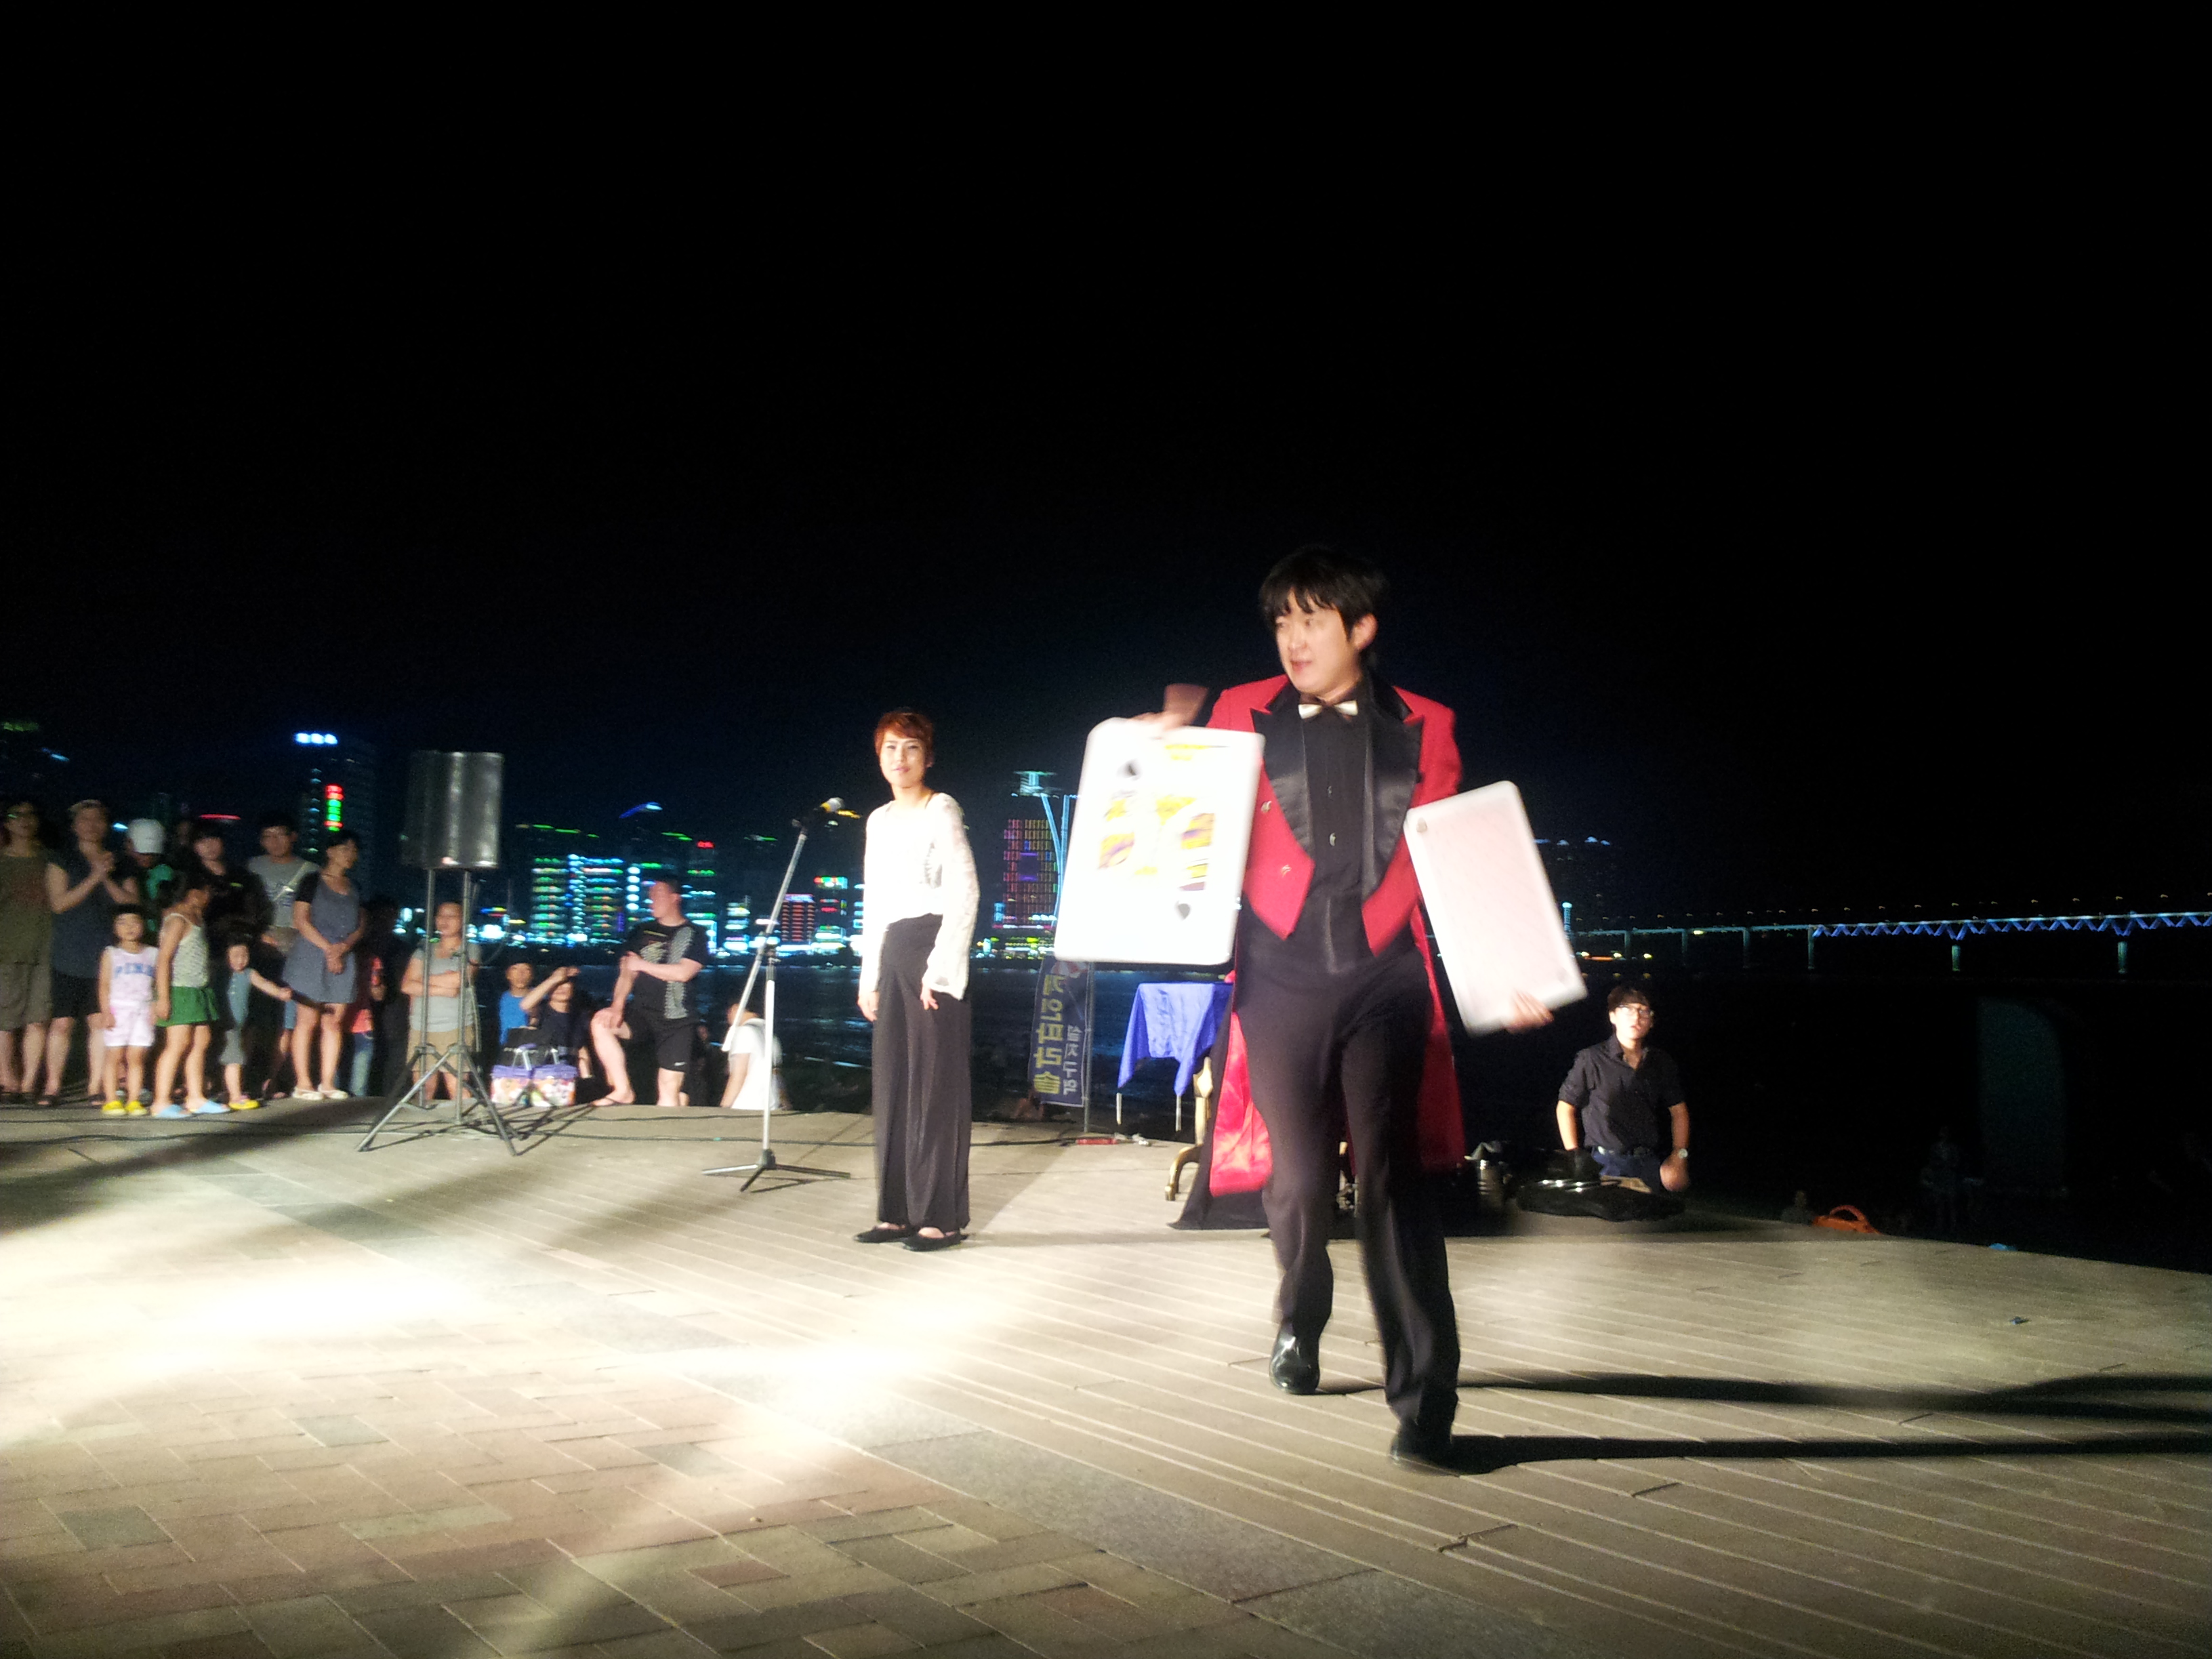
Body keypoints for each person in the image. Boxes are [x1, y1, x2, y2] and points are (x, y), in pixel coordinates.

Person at [1147, 546, 1553, 1472]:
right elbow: (1176, 814)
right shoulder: (1238, 712)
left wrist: (1508, 968)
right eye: (1281, 622)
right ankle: (1300, 1317)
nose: (1292, 639)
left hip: (1383, 977)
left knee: (1392, 1180)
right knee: (1296, 1180)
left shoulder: (1430, 724)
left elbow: (1456, 850)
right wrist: (1156, 750)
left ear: (1361, 628)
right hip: (1279, 971)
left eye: (1312, 620)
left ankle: (1426, 1403)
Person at [853, 709, 979, 1252]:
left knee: (935, 1087)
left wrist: (942, 969)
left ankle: (941, 1218)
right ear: (878, 757)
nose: (899, 758)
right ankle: (896, 1212)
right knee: (893, 1083)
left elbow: (965, 891)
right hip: (893, 949)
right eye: (890, 748)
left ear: (927, 758)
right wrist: (870, 976)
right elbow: (875, 902)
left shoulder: (941, 808)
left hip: (933, 947)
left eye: (910, 748)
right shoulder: (878, 820)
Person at [45, 800, 140, 1105]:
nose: (92, 825)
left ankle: (96, 1085)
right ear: (74, 825)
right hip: (69, 952)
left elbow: (131, 904)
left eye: (98, 819)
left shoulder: (120, 862)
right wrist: (94, 875)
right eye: (84, 819)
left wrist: (106, 876)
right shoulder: (63, 859)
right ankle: (52, 1086)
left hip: (109, 956)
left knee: (99, 1021)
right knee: (62, 1022)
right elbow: (59, 903)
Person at [1555, 985, 1691, 1195]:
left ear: (1652, 1021)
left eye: (1643, 1011)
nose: (1636, 1017)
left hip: (1647, 1163)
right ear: (1613, 1016)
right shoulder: (1591, 1059)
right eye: (1627, 1009)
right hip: (1604, 1164)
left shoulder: (1660, 1062)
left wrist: (1679, 1156)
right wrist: (1575, 1156)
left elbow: (1679, 1111)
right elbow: (1565, 1107)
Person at [591, 878, 710, 1107]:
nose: (652, 900)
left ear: (675, 898)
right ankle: (623, 1090)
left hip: (677, 1019)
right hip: (642, 1013)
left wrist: (643, 965)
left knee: (668, 1089)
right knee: (601, 1023)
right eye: (650, 895)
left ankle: (665, 1127)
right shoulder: (641, 931)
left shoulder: (696, 934)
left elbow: (684, 973)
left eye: (658, 894)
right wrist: (617, 1006)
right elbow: (627, 973)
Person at [283, 831, 364, 1100]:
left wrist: (343, 947)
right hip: (312, 955)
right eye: (345, 849)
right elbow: (301, 920)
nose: (350, 855)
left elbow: (361, 923)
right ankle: (303, 1083)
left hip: (343, 956)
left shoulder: (354, 886)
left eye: (353, 850)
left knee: (334, 1022)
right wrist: (329, 949)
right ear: (330, 851)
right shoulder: (311, 881)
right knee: (307, 1020)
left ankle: (328, 1082)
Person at [150, 871, 224, 1116]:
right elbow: (163, 960)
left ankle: (196, 1097)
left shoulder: (198, 917)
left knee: (201, 1041)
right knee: (178, 1044)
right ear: (194, 893)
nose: (209, 898)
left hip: (198, 989)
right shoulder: (177, 920)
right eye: (207, 893)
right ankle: (161, 1101)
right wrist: (163, 998)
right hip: (179, 989)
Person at [1, 799, 60, 1104]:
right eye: (17, 815)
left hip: (45, 950)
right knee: (6, 1021)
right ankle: (7, 1080)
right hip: (7, 951)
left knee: (39, 1019)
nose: (25, 820)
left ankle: (28, 1083)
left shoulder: (50, 859)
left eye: (31, 815)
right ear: (7, 823)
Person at [401, 899, 479, 1100]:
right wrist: (442, 988)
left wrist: (422, 980)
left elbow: (459, 980)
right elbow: (407, 986)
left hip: (456, 1026)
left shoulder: (470, 948)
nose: (445, 920)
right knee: (423, 1090)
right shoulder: (424, 949)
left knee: (458, 1088)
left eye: (451, 916)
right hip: (421, 1026)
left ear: (463, 920)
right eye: (441, 916)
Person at [213, 931, 291, 1108]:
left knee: (234, 1057)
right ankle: (235, 1097)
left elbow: (264, 984)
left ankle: (229, 1091)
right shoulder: (221, 974)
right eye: (235, 956)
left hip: (239, 1025)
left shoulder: (249, 973)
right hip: (227, 1024)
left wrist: (279, 992)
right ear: (226, 956)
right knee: (234, 1058)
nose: (241, 960)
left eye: (244, 955)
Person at [95, 905, 159, 1113]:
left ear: (143, 926)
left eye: (134, 922)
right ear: (115, 928)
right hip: (119, 1010)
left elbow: (157, 984)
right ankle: (112, 1099)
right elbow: (104, 985)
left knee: (136, 1056)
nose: (129, 927)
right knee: (114, 1055)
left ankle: (133, 1099)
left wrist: (155, 1007)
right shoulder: (111, 953)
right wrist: (106, 1012)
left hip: (143, 1010)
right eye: (122, 923)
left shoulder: (153, 953)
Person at [247, 813, 316, 956]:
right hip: (260, 936)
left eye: (280, 835)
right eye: (268, 836)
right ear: (261, 841)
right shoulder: (253, 866)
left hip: (296, 940)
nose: (275, 841)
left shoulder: (311, 871)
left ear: (293, 837)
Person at [186, 821, 263, 945]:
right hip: (204, 941)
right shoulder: (190, 879)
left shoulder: (243, 877)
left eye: (214, 839)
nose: (209, 845)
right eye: (202, 841)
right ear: (194, 847)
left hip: (242, 940)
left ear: (222, 841)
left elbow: (256, 912)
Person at [719, 1004, 783, 1113]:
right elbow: (776, 1073)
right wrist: (785, 1102)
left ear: (738, 1008)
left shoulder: (744, 1031)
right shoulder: (771, 1035)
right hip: (770, 1104)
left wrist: (724, 1107)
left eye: (730, 1010)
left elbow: (739, 1074)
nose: (728, 1015)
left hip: (746, 1104)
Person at [126, 819, 178, 915]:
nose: (147, 858)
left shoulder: (164, 872)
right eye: (142, 853)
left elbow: (163, 904)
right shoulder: (120, 871)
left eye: (152, 854)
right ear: (129, 845)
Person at [497, 961, 535, 1042]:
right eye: (515, 969)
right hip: (507, 1046)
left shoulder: (542, 997)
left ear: (532, 975)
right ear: (507, 974)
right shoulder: (500, 998)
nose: (521, 974)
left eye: (527, 969)